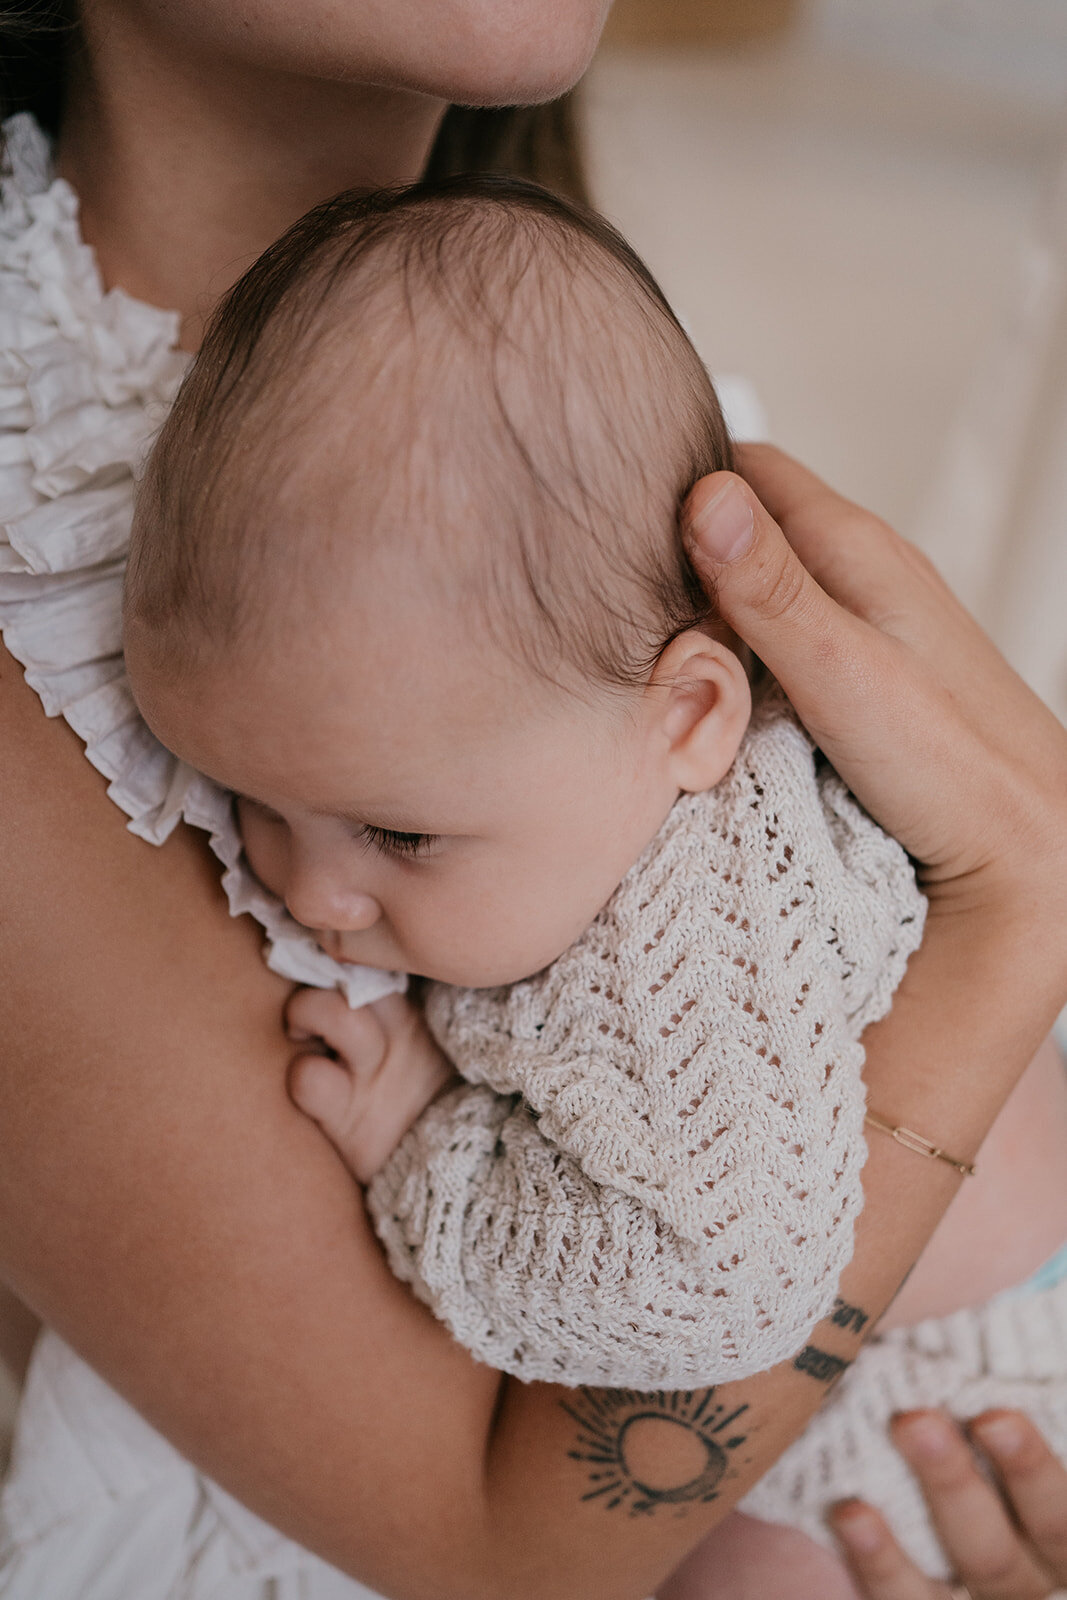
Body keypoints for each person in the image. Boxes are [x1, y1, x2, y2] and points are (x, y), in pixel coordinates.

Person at [0, 3, 1064, 1597]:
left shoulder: (611, 432)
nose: (310, 888)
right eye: (247, 804)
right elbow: (513, 1562)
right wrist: (1018, 919)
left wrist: (422, 1145)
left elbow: (717, 1268)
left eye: (399, 833)